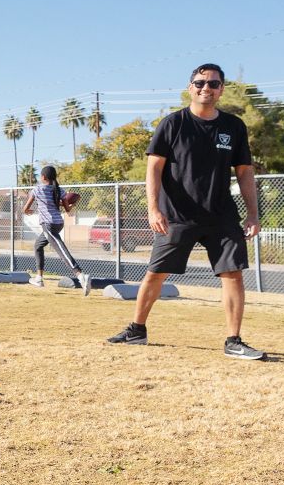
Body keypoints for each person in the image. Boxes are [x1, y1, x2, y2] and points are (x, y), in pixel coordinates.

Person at [106, 63, 265, 360]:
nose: (207, 88)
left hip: (221, 216)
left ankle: (234, 340)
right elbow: (154, 168)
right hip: (177, 215)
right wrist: (154, 209)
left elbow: (244, 173)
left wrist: (253, 214)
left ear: (221, 89)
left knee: (233, 274)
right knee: (156, 273)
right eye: (200, 83)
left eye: (214, 84)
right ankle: (137, 330)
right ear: (190, 87)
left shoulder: (233, 127)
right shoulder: (173, 123)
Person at [23, 165, 90, 294]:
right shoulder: (59, 190)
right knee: (38, 246)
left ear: (43, 177)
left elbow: (25, 208)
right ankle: (39, 278)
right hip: (58, 223)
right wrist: (74, 202)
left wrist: (28, 211)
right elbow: (68, 209)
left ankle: (81, 276)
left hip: (48, 224)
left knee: (61, 250)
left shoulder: (37, 190)